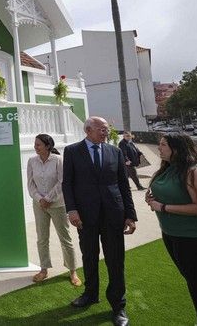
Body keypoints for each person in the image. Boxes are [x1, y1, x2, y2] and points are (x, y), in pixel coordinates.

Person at [146, 133, 197, 326]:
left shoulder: (195, 173)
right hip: (174, 237)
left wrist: (163, 207)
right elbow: (169, 194)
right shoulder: (169, 169)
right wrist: (154, 200)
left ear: (177, 148)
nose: (159, 148)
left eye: (163, 145)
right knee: (195, 286)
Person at [62, 116, 137, 326]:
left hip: (114, 215)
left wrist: (130, 215)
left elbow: (124, 185)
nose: (106, 132)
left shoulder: (115, 151)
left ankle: (118, 306)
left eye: (106, 129)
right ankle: (90, 294)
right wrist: (72, 210)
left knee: (115, 260)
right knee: (89, 256)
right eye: (101, 129)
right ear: (88, 130)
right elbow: (67, 183)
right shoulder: (72, 151)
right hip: (85, 217)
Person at [26, 133, 81, 286]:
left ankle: (72, 271)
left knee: (65, 238)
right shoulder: (31, 161)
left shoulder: (59, 160)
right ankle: (44, 269)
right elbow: (30, 185)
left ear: (48, 146)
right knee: (42, 238)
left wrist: (48, 199)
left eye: (38, 144)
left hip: (58, 204)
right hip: (39, 205)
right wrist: (40, 199)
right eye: (35, 144)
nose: (35, 147)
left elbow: (62, 182)